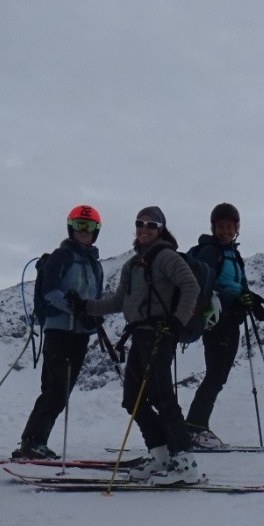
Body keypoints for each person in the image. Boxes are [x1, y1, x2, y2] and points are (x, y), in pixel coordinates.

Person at [72, 207, 205, 485]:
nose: (144, 228)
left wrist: (176, 323)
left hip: (160, 333)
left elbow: (191, 286)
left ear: (161, 229)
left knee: (162, 397)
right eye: (140, 223)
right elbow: (119, 301)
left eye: (151, 224)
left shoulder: (166, 256)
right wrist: (86, 306)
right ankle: (161, 456)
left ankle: (185, 463)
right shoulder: (133, 265)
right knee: (132, 399)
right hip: (140, 335)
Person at [12, 205, 106, 460]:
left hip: (80, 334)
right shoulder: (60, 256)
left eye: (88, 227)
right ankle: (32, 442)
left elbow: (95, 298)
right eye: (78, 225)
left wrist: (91, 316)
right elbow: (50, 291)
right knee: (56, 387)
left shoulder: (95, 266)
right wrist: (75, 308)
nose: (83, 231)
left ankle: (32, 441)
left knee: (60, 389)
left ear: (96, 231)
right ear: (70, 228)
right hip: (58, 330)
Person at [184, 202, 264, 449]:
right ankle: (195, 428)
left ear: (236, 228)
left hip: (232, 318)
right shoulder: (210, 251)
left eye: (230, 226)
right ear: (213, 227)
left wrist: (249, 298)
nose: (225, 231)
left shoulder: (233, 254)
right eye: (221, 226)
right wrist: (233, 299)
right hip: (217, 318)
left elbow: (238, 283)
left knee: (219, 376)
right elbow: (209, 284)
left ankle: (195, 427)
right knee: (216, 374)